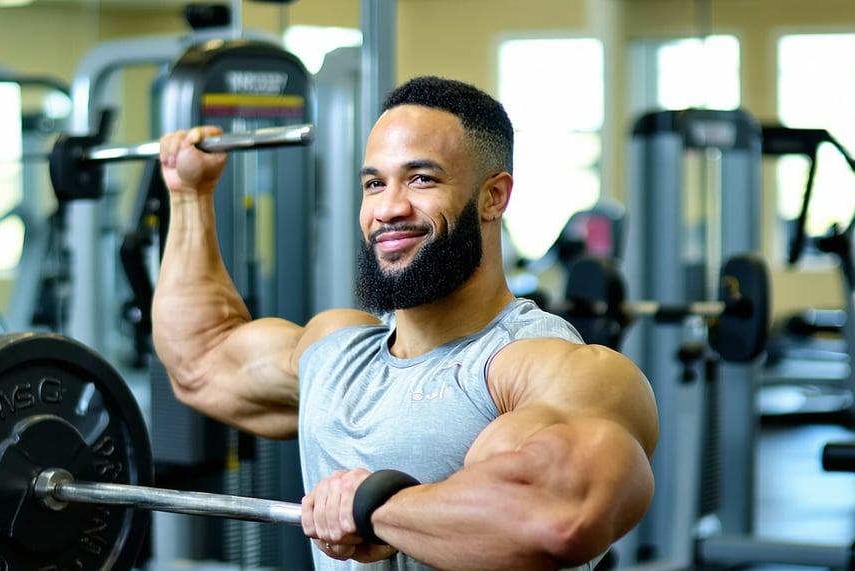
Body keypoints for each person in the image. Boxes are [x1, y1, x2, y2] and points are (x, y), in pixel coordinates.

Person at [152, 75, 659, 571]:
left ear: (493, 197)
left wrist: (374, 509)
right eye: (375, 184)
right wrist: (189, 195)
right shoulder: (339, 352)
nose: (390, 208)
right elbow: (200, 359)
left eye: (422, 179)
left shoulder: (542, 366)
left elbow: (557, 518)